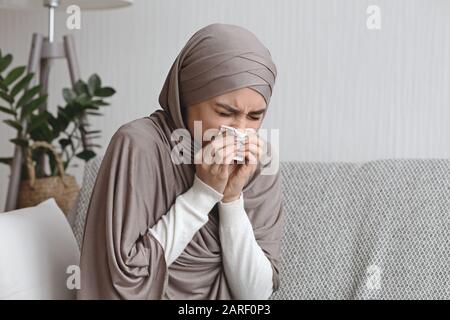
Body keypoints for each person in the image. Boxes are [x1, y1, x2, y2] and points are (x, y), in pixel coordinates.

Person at [77, 23, 283, 300]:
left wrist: (231, 199)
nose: (240, 131)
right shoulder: (139, 145)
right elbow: (122, 282)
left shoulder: (258, 161)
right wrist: (203, 193)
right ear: (185, 97)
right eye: (225, 112)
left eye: (255, 117)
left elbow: (255, 297)